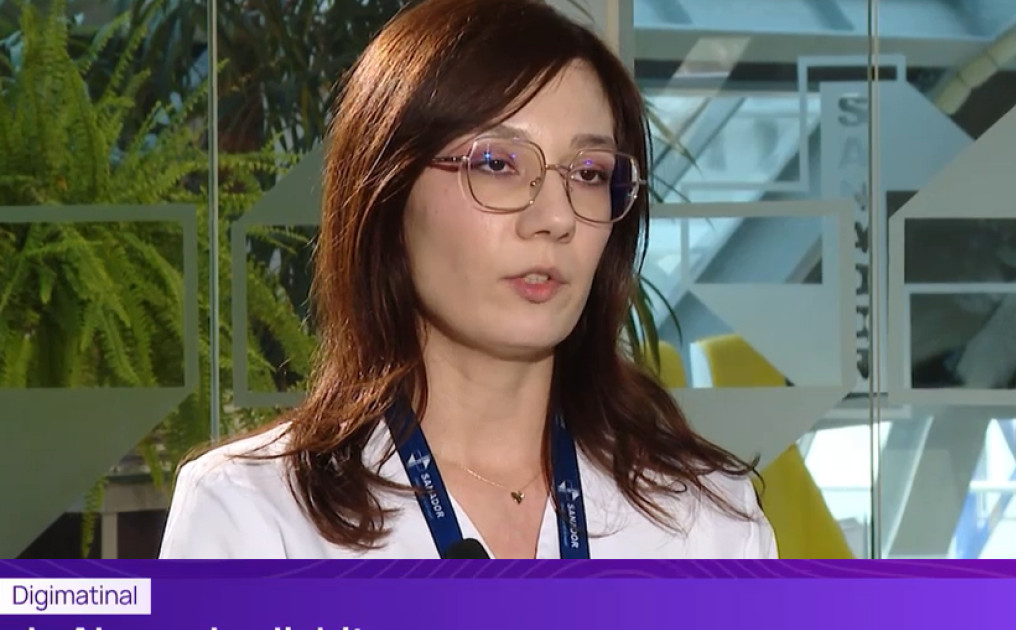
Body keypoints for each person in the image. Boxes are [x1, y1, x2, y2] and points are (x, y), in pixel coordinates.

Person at [159, 0, 777, 560]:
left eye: (589, 172)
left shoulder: (706, 521)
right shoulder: (254, 517)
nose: (556, 217)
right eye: (496, 163)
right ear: (387, 196)